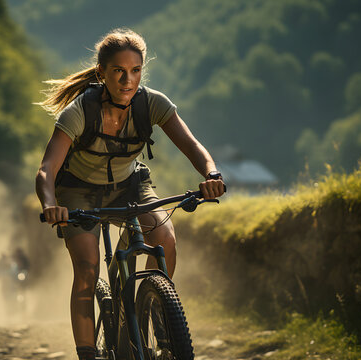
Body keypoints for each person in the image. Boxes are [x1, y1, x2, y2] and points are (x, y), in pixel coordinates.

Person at [35, 28, 225, 360]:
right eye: (119, 72)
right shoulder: (79, 112)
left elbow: (193, 147)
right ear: (101, 73)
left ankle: (151, 308)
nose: (128, 80)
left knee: (164, 238)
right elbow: (47, 169)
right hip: (79, 191)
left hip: (130, 185)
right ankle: (87, 356)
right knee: (87, 267)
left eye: (135, 71)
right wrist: (51, 205)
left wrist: (211, 174)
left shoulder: (152, 103)